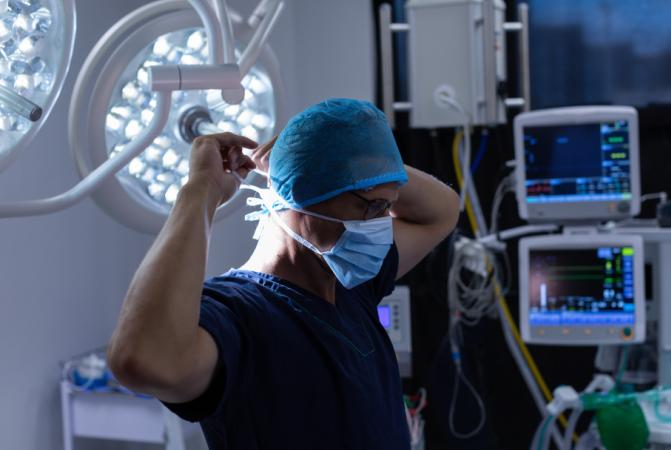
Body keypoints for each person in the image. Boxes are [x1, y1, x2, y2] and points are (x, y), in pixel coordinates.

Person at [108, 98, 460, 449]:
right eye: (372, 206)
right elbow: (142, 360)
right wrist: (201, 189)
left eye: (390, 204)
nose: (383, 224)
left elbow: (442, 210)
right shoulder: (238, 314)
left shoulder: (352, 283)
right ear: (298, 199)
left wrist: (363, 162)